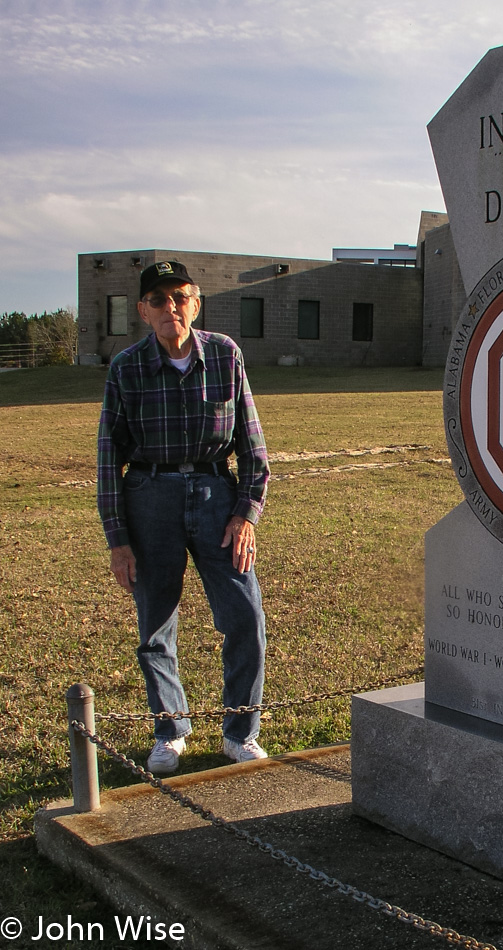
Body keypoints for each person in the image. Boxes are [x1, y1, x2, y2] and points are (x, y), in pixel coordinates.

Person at [97, 260, 270, 774]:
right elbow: (109, 456)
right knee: (155, 625)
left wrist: (246, 515)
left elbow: (253, 445)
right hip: (150, 495)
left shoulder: (224, 355)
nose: (171, 307)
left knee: (245, 616)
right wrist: (118, 538)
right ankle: (170, 731)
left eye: (181, 297)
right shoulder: (125, 367)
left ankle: (240, 731)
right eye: (159, 299)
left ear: (196, 303)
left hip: (217, 495)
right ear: (143, 310)